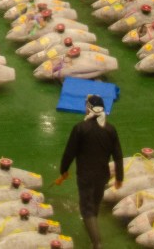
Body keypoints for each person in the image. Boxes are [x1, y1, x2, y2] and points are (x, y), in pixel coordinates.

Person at [54, 95, 123, 249]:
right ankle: (91, 225)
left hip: (85, 176)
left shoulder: (80, 128)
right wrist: (119, 177)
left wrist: (64, 170)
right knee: (95, 202)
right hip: (102, 175)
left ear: (89, 108)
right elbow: (118, 156)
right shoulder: (110, 129)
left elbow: (69, 153)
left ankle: (97, 243)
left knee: (86, 209)